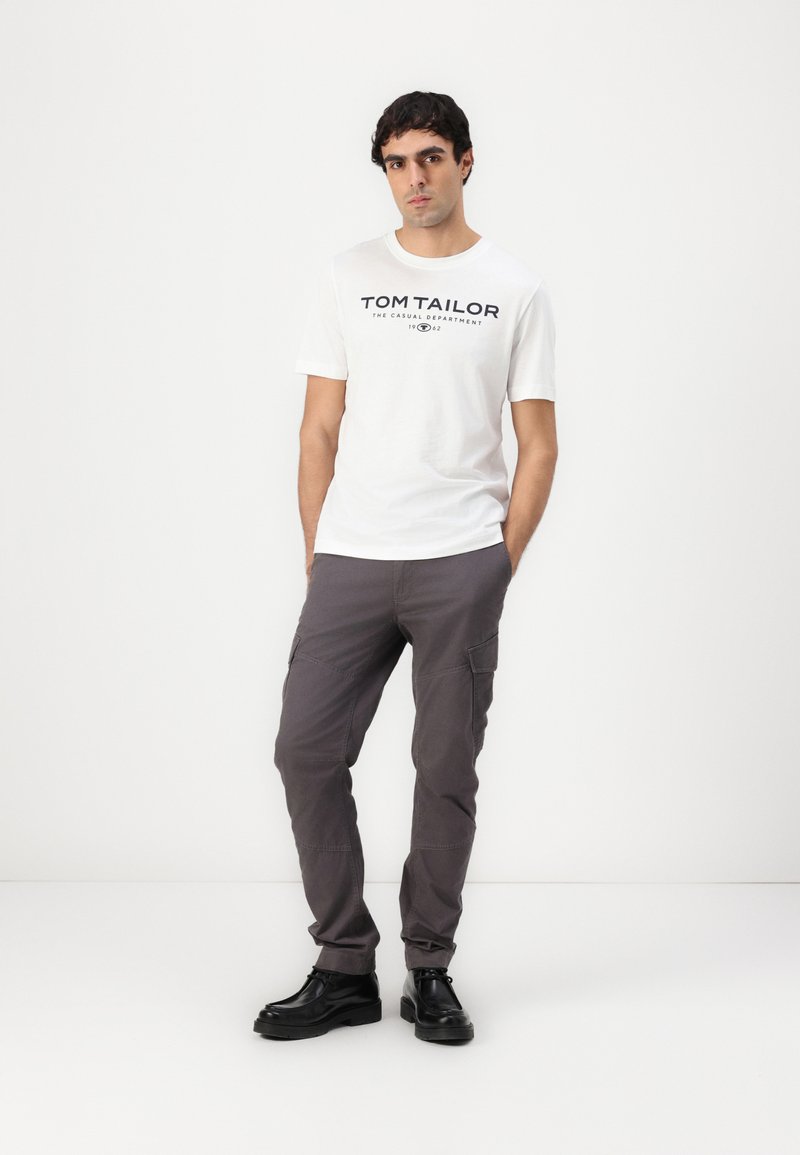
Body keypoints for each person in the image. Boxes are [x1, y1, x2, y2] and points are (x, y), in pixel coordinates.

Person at [253, 90, 558, 1045]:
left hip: (460, 559)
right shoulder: (348, 275)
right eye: (395, 163)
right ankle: (344, 965)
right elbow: (318, 428)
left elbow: (539, 442)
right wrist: (318, 549)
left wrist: (497, 562)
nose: (413, 179)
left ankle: (429, 966)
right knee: (306, 750)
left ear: (465, 161)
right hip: (353, 554)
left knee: (444, 768)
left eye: (429, 158)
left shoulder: (514, 288)